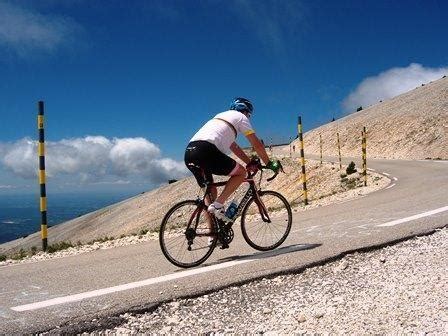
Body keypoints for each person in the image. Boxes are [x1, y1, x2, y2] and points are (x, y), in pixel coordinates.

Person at [184, 97, 280, 223]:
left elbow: (234, 147)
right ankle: (218, 204)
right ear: (246, 111)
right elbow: (256, 144)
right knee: (241, 173)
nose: (248, 117)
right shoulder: (241, 117)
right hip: (206, 150)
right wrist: (268, 162)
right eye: (249, 115)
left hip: (190, 153)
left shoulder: (221, 118)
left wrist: (249, 162)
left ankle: (213, 237)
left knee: (210, 192)